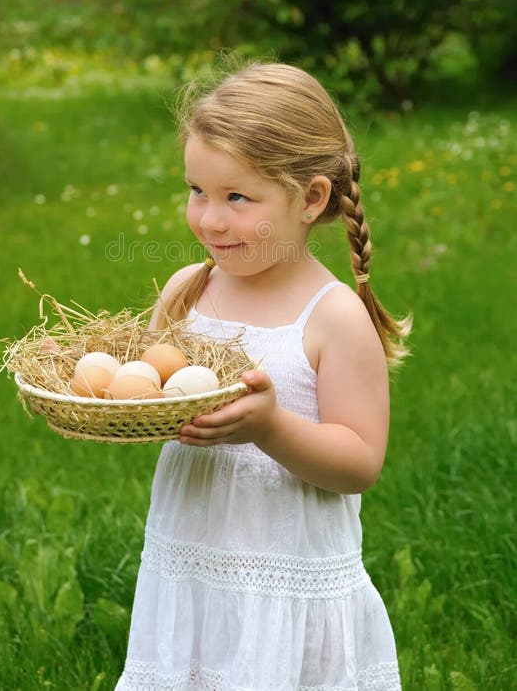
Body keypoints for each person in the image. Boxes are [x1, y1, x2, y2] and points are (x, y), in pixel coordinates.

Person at [115, 61, 411, 691]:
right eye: (197, 190)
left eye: (237, 198)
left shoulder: (333, 318)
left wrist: (270, 426)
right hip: (192, 565)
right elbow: (145, 386)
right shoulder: (186, 292)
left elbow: (360, 462)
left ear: (311, 199)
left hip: (285, 574)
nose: (210, 220)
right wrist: (104, 400)